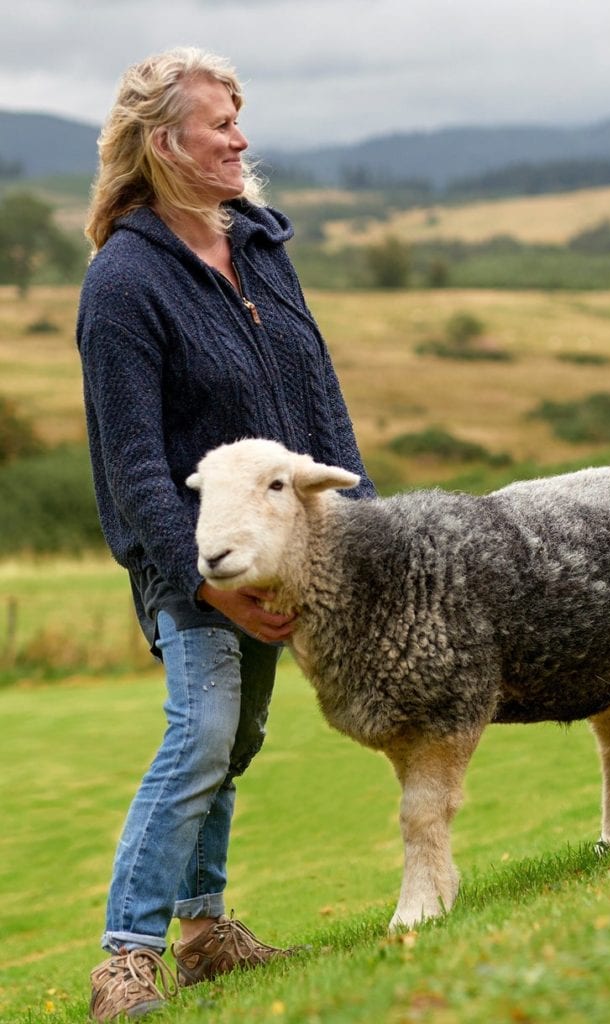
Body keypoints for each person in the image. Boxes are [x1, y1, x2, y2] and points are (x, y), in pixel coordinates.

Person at [77, 47, 375, 1021]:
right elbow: (133, 463)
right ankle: (127, 958)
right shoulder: (124, 281)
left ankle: (204, 936)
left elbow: (318, 394)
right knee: (202, 732)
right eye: (221, 124)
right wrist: (206, 584)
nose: (242, 140)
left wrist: (358, 527)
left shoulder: (259, 245)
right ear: (166, 144)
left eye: (239, 119)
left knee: (237, 735)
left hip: (283, 557)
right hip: (192, 559)